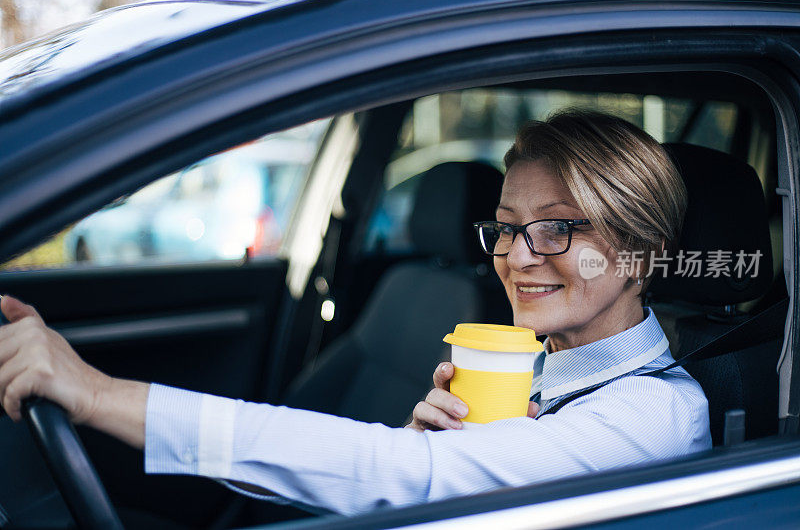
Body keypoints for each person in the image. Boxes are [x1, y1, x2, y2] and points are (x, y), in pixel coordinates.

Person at [0, 110, 710, 517]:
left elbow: (388, 470)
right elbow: (412, 475)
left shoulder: (653, 414)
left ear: (640, 251)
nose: (518, 256)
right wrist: (427, 445)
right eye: (503, 227)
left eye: (557, 227)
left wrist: (97, 393)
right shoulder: (539, 373)